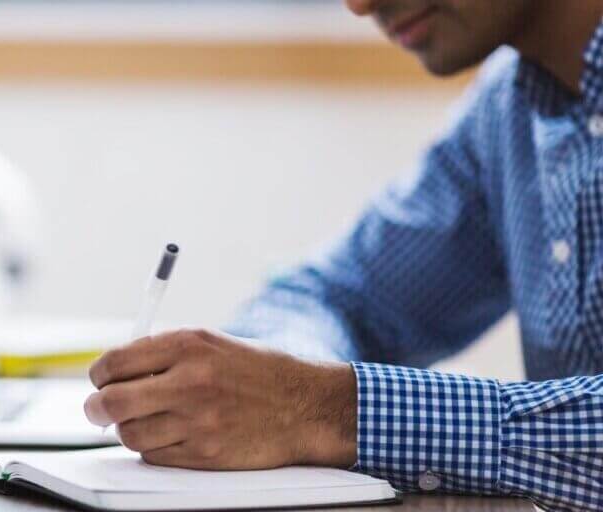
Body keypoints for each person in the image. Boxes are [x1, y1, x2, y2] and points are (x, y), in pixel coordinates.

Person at [82, 1, 603, 510]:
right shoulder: (509, 108)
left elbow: (317, 396)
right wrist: (274, 384)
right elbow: (337, 296)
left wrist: (326, 409)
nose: (358, 6)